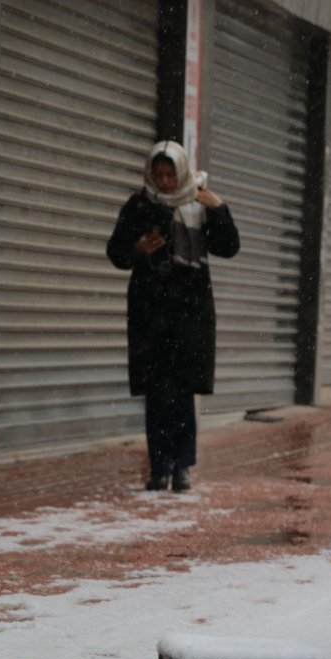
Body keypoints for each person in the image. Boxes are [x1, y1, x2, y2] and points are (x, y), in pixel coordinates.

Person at [107, 140, 240, 492]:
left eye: (171, 174)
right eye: (159, 174)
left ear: (182, 172)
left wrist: (220, 208)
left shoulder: (199, 202)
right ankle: (159, 468)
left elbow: (229, 247)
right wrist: (137, 249)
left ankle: (182, 467)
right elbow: (116, 252)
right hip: (151, 311)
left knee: (181, 391)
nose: (165, 181)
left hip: (190, 312)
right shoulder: (138, 205)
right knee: (157, 392)